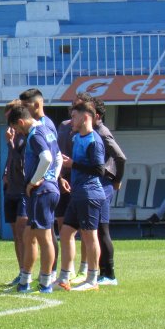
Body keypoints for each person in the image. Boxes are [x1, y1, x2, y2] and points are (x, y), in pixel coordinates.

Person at [6, 104, 63, 293]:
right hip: (48, 189)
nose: (17, 132)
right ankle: (24, 281)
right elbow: (59, 157)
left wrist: (35, 181)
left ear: (21, 122)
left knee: (44, 237)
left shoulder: (35, 133)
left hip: (42, 192)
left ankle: (46, 283)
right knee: (28, 235)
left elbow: (47, 158)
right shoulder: (47, 130)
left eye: (17, 128)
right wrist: (53, 179)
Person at [57, 101, 107, 292]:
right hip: (77, 193)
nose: (72, 121)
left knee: (89, 235)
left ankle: (92, 278)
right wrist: (65, 175)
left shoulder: (94, 141)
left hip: (89, 194)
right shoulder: (77, 137)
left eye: (74, 116)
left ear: (86, 117)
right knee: (66, 232)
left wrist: (73, 164)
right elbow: (74, 164)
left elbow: (99, 169)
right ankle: (64, 277)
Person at [91, 97, 126, 286]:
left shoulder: (102, 133)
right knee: (95, 230)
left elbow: (120, 157)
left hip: (103, 186)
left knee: (102, 229)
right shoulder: (92, 132)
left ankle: (110, 274)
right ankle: (100, 271)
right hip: (96, 186)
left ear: (96, 115)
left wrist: (117, 180)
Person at [1, 99, 29, 281]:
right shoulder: (12, 135)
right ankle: (21, 271)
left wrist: (11, 143)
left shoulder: (27, 135)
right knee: (16, 235)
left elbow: (23, 163)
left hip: (22, 190)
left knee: (23, 232)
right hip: (10, 189)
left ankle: (28, 271)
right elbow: (11, 160)